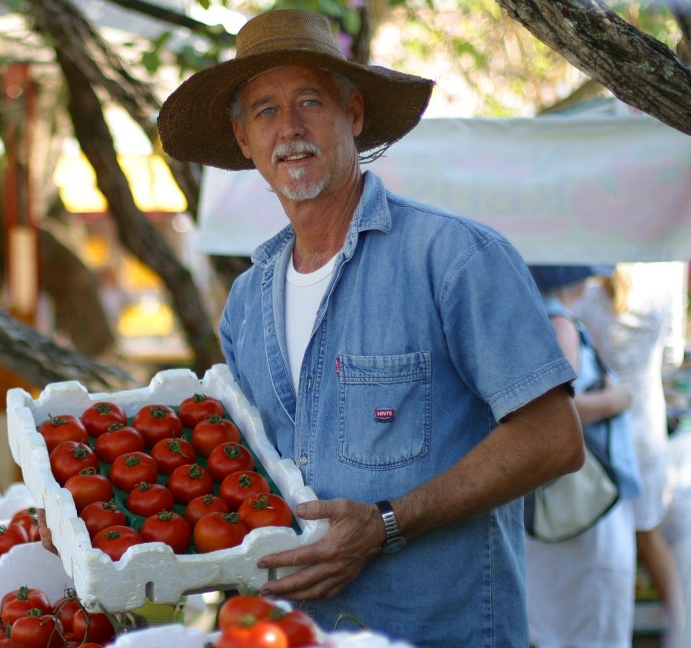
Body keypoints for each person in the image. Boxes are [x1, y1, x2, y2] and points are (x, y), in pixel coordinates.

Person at [155, 9, 584, 646]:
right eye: (266, 111)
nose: (291, 128)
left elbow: (554, 438)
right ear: (243, 139)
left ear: (353, 115)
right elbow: (244, 473)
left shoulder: (454, 257)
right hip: (292, 631)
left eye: (310, 101)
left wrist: (387, 523)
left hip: (440, 630)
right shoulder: (247, 301)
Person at [525, 265, 641, 648]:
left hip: (563, 498)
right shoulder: (558, 320)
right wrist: (614, 400)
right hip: (586, 504)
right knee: (593, 620)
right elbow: (557, 410)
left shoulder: (530, 313)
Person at [573, 262, 687, 643]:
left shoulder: (587, 291)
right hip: (646, 422)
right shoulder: (663, 282)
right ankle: (679, 630)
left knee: (605, 541)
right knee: (648, 533)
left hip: (604, 430)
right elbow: (671, 356)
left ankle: (610, 631)